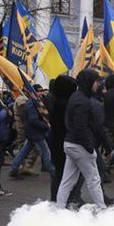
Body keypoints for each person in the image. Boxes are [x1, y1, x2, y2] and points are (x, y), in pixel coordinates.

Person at [55, 69, 106, 209]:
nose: (98, 85)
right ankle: (103, 210)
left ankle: (59, 209)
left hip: (70, 143)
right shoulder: (83, 101)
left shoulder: (76, 96)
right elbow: (80, 126)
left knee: (67, 181)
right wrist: (89, 147)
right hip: (80, 145)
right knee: (94, 179)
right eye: (96, 81)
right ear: (89, 82)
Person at [9, 85, 55, 179]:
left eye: (41, 91)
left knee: (24, 152)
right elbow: (33, 120)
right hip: (35, 132)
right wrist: (46, 126)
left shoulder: (35, 102)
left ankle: (14, 169)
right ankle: (53, 172)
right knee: (46, 152)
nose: (41, 93)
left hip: (32, 132)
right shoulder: (32, 104)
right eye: (38, 91)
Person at [47, 74, 78, 202]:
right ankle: (60, 200)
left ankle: (58, 199)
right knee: (63, 174)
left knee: (60, 173)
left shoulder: (56, 102)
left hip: (57, 141)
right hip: (63, 142)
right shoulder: (63, 105)